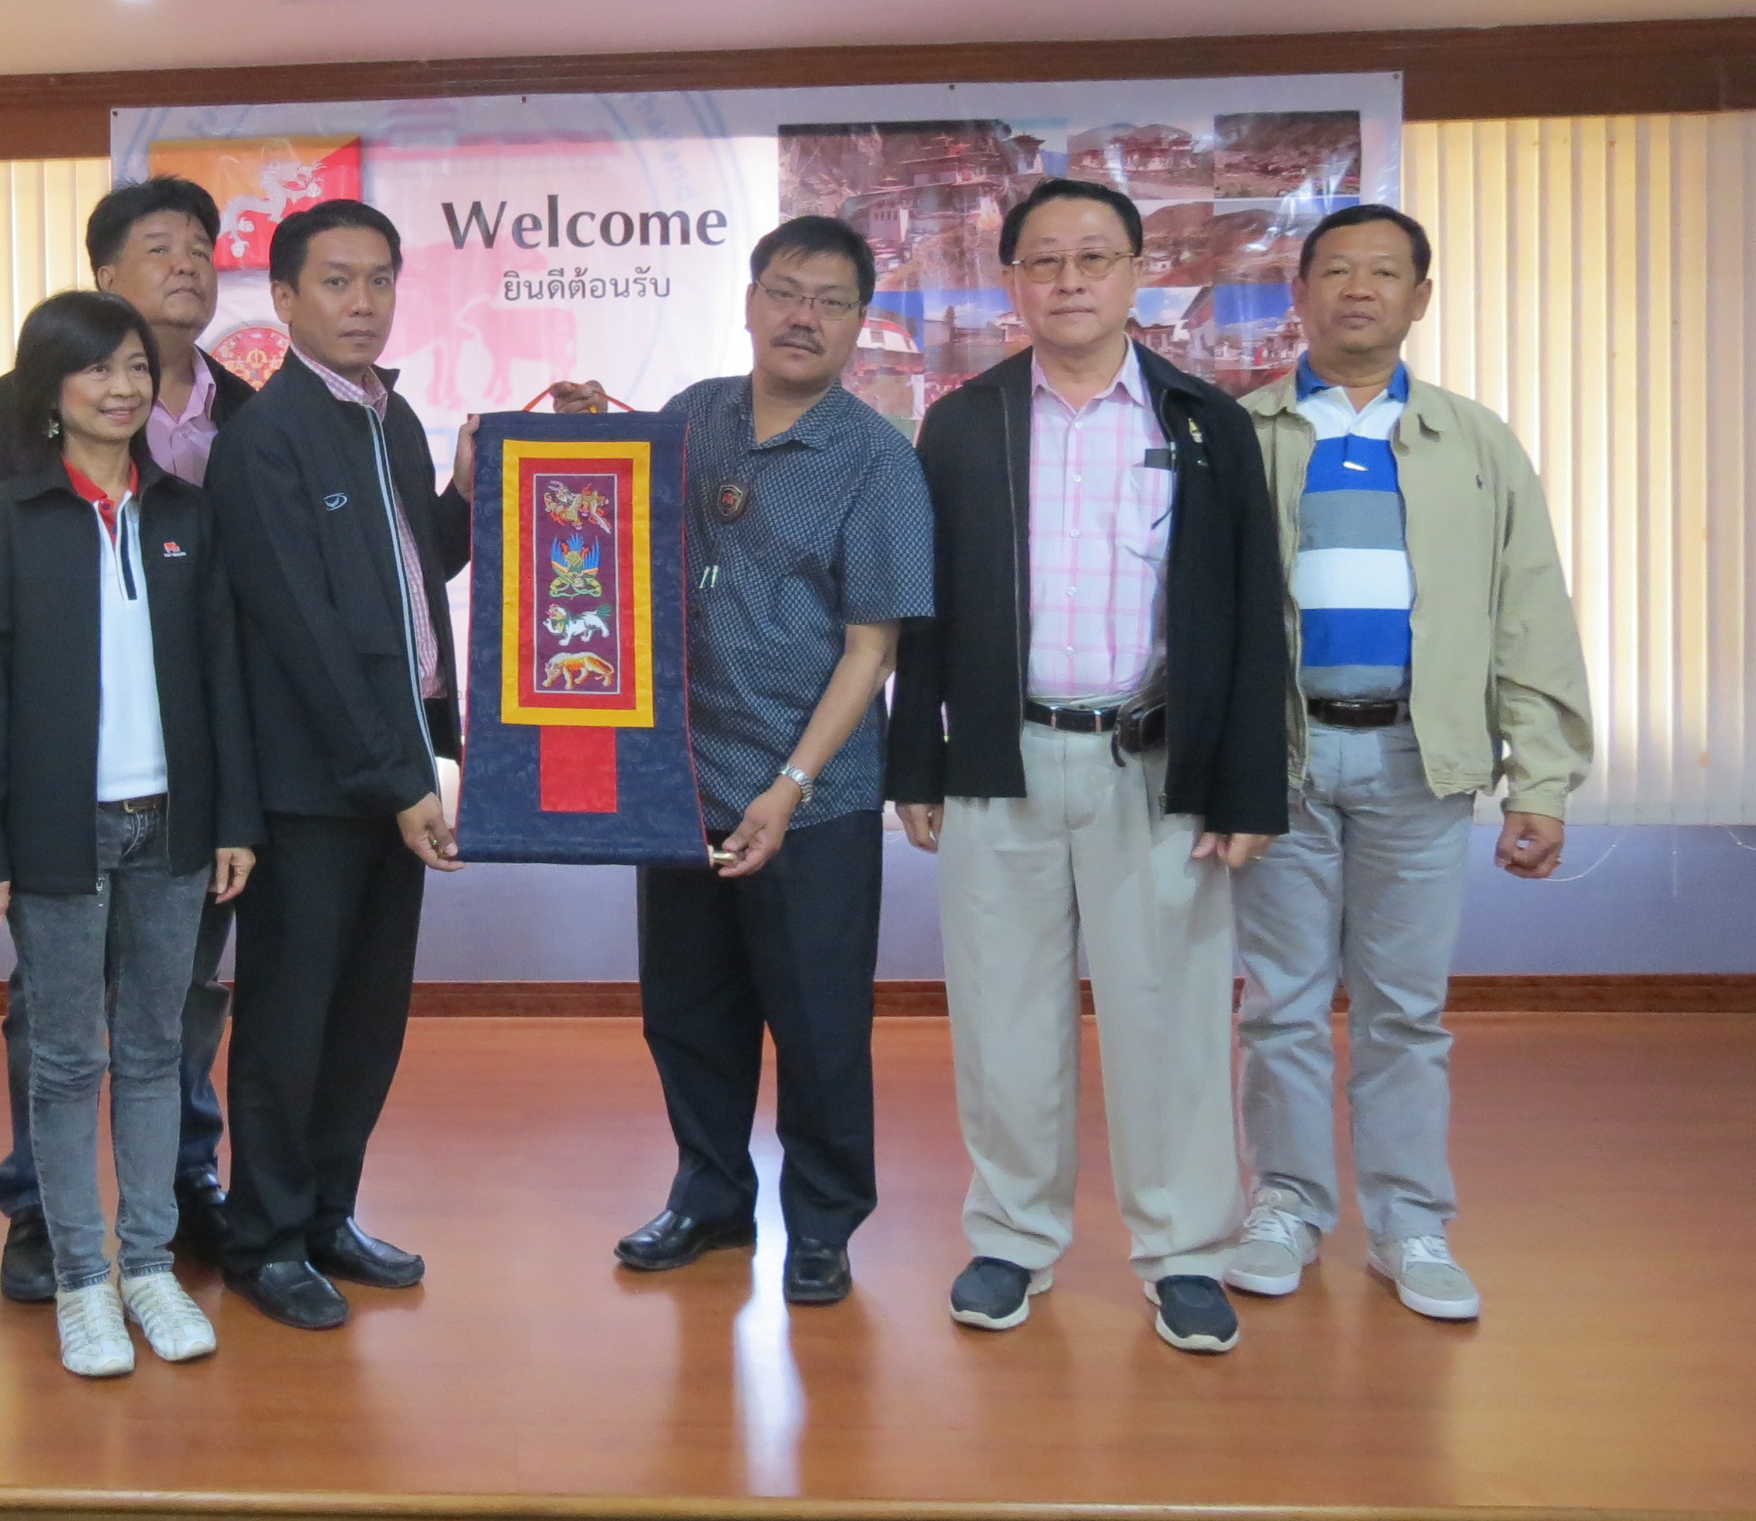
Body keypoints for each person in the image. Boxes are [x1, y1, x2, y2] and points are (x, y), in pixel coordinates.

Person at [889, 177, 1289, 1355]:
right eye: (1044, 260)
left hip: (1153, 767)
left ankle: (1184, 1250)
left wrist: (1246, 784)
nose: (1068, 280)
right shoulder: (962, 423)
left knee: (1170, 1016)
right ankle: (1012, 1236)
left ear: (1135, 275)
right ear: (1011, 280)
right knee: (1002, 1018)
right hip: (997, 760)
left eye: (1093, 257)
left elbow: (1250, 613)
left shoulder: (1203, 422)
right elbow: (920, 612)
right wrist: (916, 763)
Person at [553, 217, 934, 1307]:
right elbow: (618, 541)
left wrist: (790, 784)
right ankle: (709, 1196)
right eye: (784, 292)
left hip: (811, 796)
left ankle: (822, 1222)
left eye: (829, 300)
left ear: (858, 323)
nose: (802, 316)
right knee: (686, 1012)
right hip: (681, 783)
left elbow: (871, 650)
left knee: (818, 1024)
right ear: (752, 300)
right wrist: (587, 441)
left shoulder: (878, 460)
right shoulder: (692, 415)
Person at [1225, 205, 1590, 1321]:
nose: (1357, 289)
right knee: (1280, 1004)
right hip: (1282, 761)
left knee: (1403, 1010)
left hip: (1417, 760)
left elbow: (1528, 611)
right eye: (1334, 270)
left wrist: (1539, 778)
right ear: (1298, 293)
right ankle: (1285, 1204)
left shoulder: (1474, 443)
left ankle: (1408, 1223)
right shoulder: (1241, 433)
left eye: (1383, 272)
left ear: (1418, 298)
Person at [0, 290, 261, 1376]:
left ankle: (148, 1264)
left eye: (134, 365)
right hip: (56, 829)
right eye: (96, 368)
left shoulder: (186, 511)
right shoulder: (7, 517)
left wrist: (234, 816)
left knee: (157, 1052)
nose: (123, 387)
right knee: (65, 1058)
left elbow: (223, 673)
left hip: (175, 824)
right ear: (49, 389)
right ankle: (82, 1277)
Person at [206, 198, 473, 1332]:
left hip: (397, 765)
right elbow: (305, 634)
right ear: (282, 299)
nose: (362, 303)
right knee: (290, 1019)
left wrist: (464, 492)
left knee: (366, 1016)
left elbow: (409, 572)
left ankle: (326, 1214)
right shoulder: (266, 437)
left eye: (379, 280)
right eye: (335, 282)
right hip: (317, 786)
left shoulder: (388, 417)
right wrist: (397, 780)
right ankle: (263, 1240)